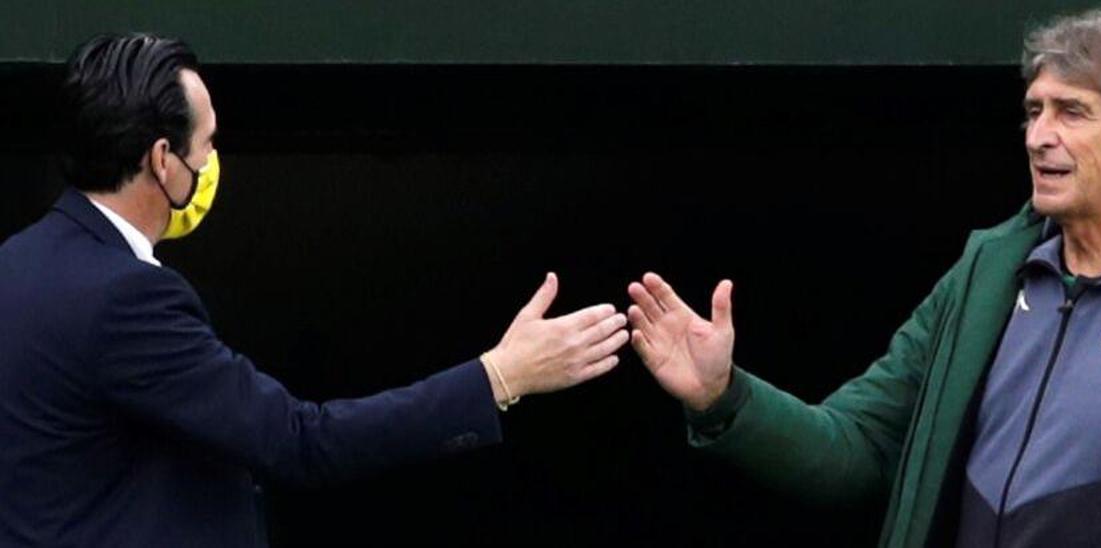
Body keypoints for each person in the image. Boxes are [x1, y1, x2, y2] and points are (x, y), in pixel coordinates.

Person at [628, 9, 1101, 547]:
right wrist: (724, 398)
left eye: (1072, 113)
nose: (1037, 137)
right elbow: (858, 446)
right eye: (1034, 110)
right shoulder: (985, 277)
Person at [0, 33, 629, 546]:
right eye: (209, 143)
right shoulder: (126, 297)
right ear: (163, 160)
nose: (214, 159)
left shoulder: (16, 264)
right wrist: (499, 376)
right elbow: (300, 442)